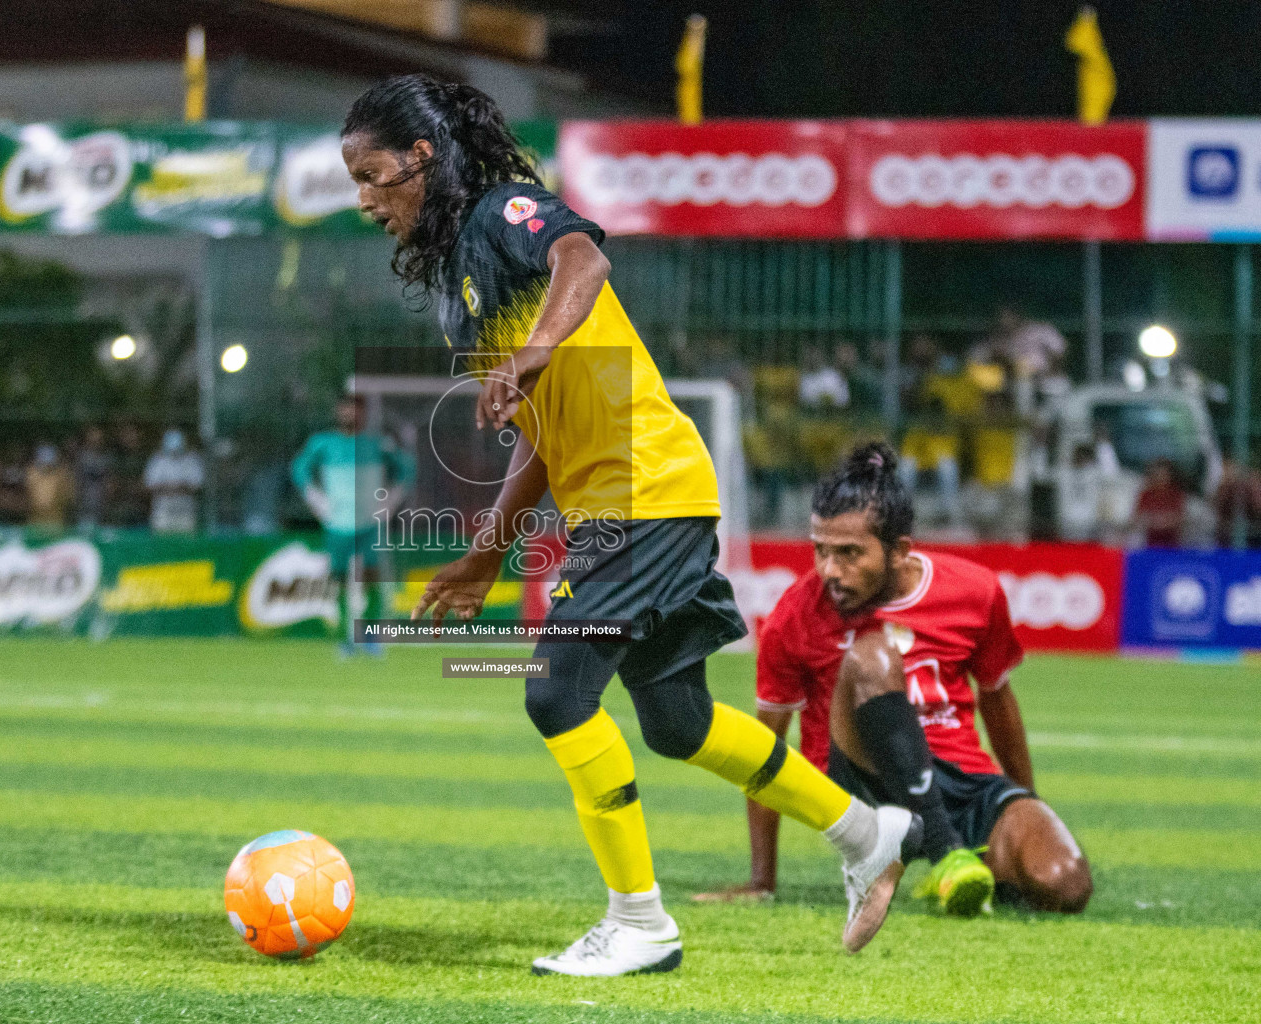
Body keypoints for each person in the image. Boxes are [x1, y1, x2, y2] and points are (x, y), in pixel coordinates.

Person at [342, 73, 916, 976]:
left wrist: (534, 352)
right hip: (628, 500)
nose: (364, 200)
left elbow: (586, 260)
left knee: (556, 692)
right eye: (354, 183)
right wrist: (484, 557)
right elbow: (538, 439)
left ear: (421, 157)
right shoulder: (463, 283)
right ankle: (864, 832)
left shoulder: (506, 212)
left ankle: (640, 921)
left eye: (373, 175)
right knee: (678, 720)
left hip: (646, 490)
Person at [697, 443, 1092, 916]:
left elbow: (998, 702)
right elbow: (767, 745)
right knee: (874, 657)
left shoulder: (976, 591)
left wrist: (1024, 803)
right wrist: (762, 878)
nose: (828, 570)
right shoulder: (795, 616)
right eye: (820, 550)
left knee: (1063, 883)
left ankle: (970, 862)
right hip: (861, 784)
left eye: (848, 554)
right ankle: (946, 853)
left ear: (900, 551)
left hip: (961, 778)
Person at [290, 395, 415, 657]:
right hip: (337, 524)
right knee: (340, 583)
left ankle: (370, 638)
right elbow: (299, 469)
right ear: (338, 412)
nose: (350, 416)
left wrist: (392, 500)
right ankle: (346, 638)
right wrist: (315, 498)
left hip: (369, 523)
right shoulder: (323, 444)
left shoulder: (377, 444)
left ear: (364, 415)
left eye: (356, 412)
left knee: (371, 580)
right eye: (346, 411)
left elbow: (406, 468)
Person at [144, 428, 203, 533]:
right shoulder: (158, 460)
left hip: (185, 509)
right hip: (163, 509)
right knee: (162, 539)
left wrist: (177, 488)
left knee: (186, 540)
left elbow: (197, 484)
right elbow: (150, 484)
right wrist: (172, 488)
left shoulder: (192, 459)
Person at [1134, 458, 1185, 548]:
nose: (1161, 478)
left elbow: (1179, 518)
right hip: (1149, 544)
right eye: (1158, 475)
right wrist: (1153, 521)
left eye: (1164, 474)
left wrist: (1163, 522)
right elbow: (1138, 517)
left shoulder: (1175, 495)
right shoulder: (1146, 495)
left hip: (1172, 544)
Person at [25, 443, 74, 528]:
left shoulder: (60, 476)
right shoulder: (32, 474)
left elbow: (69, 498)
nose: (46, 467)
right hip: (35, 522)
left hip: (55, 522)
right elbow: (30, 498)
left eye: (49, 465)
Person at [75, 425, 113, 530]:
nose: (96, 439)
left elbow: (109, 480)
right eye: (93, 436)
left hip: (101, 505)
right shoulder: (81, 457)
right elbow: (76, 481)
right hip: (85, 504)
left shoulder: (106, 458)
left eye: (98, 437)